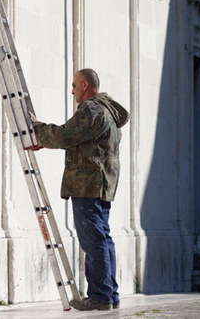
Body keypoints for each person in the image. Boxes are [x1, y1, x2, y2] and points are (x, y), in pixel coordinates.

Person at [29, 68, 130, 312]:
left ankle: (100, 296)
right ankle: (109, 294)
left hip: (88, 185)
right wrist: (47, 140)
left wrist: (38, 129)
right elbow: (80, 141)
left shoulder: (91, 109)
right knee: (103, 239)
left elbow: (66, 135)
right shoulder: (106, 111)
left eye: (74, 85)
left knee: (94, 241)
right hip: (101, 185)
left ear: (85, 85)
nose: (72, 90)